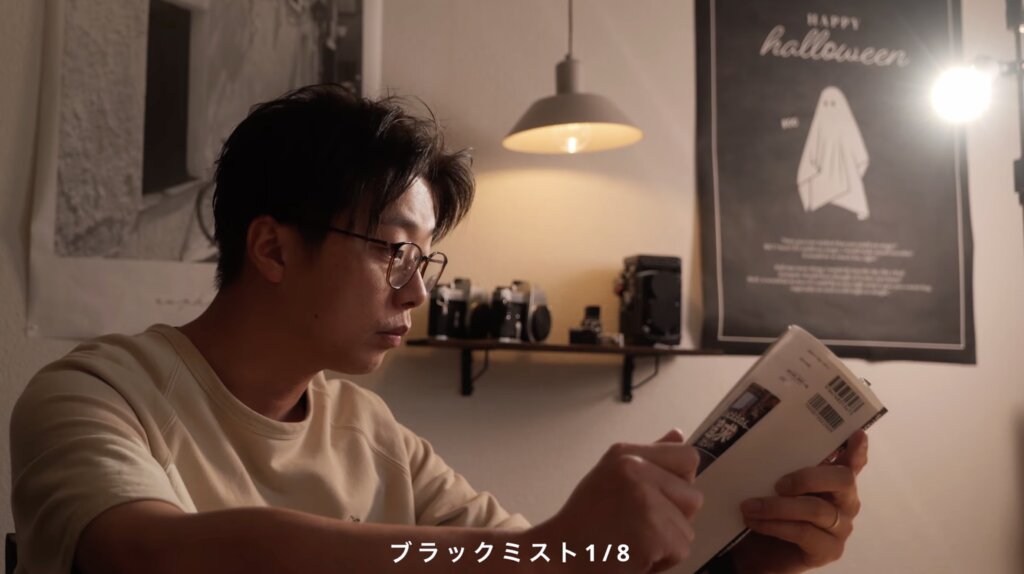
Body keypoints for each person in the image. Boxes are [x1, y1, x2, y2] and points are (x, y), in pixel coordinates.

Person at [10, 84, 869, 574]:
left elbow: (528, 561)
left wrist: (746, 554)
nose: (417, 291)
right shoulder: (96, 394)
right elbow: (148, 554)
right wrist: (554, 553)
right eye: (394, 252)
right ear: (271, 247)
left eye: (426, 260)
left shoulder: (371, 434)